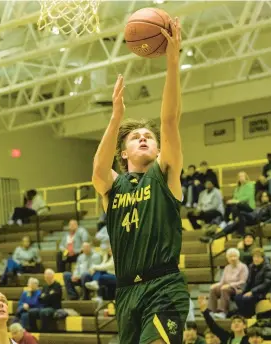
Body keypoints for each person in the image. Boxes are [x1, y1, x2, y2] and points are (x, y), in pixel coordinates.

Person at [91, 17, 189, 344]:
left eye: (149, 137)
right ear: (123, 153)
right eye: (135, 138)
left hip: (164, 287)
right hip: (126, 292)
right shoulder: (112, 187)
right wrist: (116, 117)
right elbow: (97, 169)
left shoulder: (165, 175)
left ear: (159, 149)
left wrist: (172, 61)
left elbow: (170, 119)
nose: (144, 139)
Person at [208, 248, 248, 319]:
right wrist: (216, 285)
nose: (233, 258)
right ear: (227, 258)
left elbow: (243, 281)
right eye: (230, 257)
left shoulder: (243, 267)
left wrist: (229, 285)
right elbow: (222, 282)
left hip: (237, 289)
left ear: (238, 257)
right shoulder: (227, 267)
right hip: (226, 287)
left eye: (234, 256)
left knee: (224, 289)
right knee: (214, 289)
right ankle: (211, 311)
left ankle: (222, 312)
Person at [234, 248, 271, 318]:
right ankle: (243, 315)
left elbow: (266, 284)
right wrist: (242, 290)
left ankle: (248, 316)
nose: (256, 259)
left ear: (263, 258)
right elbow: (248, 281)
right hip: (252, 291)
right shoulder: (251, 266)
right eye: (254, 257)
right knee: (237, 297)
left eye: (258, 257)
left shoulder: (268, 267)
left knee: (247, 299)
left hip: (262, 292)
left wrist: (252, 291)